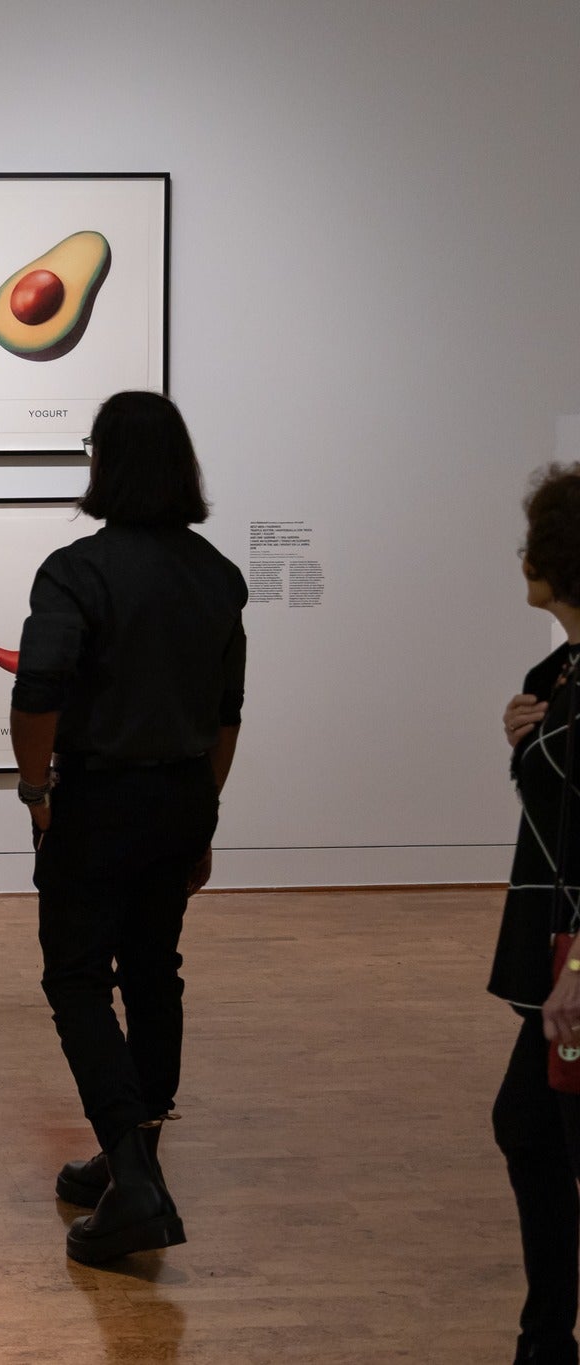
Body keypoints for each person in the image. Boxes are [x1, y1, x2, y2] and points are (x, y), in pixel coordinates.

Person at [8, 391, 246, 1265]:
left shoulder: (75, 572)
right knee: (153, 969)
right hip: (181, 793)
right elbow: (227, 715)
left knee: (76, 976)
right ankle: (130, 1150)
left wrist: (37, 788)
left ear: (103, 463)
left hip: (97, 799)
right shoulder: (219, 575)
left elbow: (37, 692)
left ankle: (136, 1181)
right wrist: (205, 813)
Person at [493, 464, 580, 1365]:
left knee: (539, 1128)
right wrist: (528, 736)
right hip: (559, 946)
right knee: (527, 1125)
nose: (524, 555)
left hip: (576, 957)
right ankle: (545, 1340)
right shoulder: (557, 671)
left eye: (538, 539)